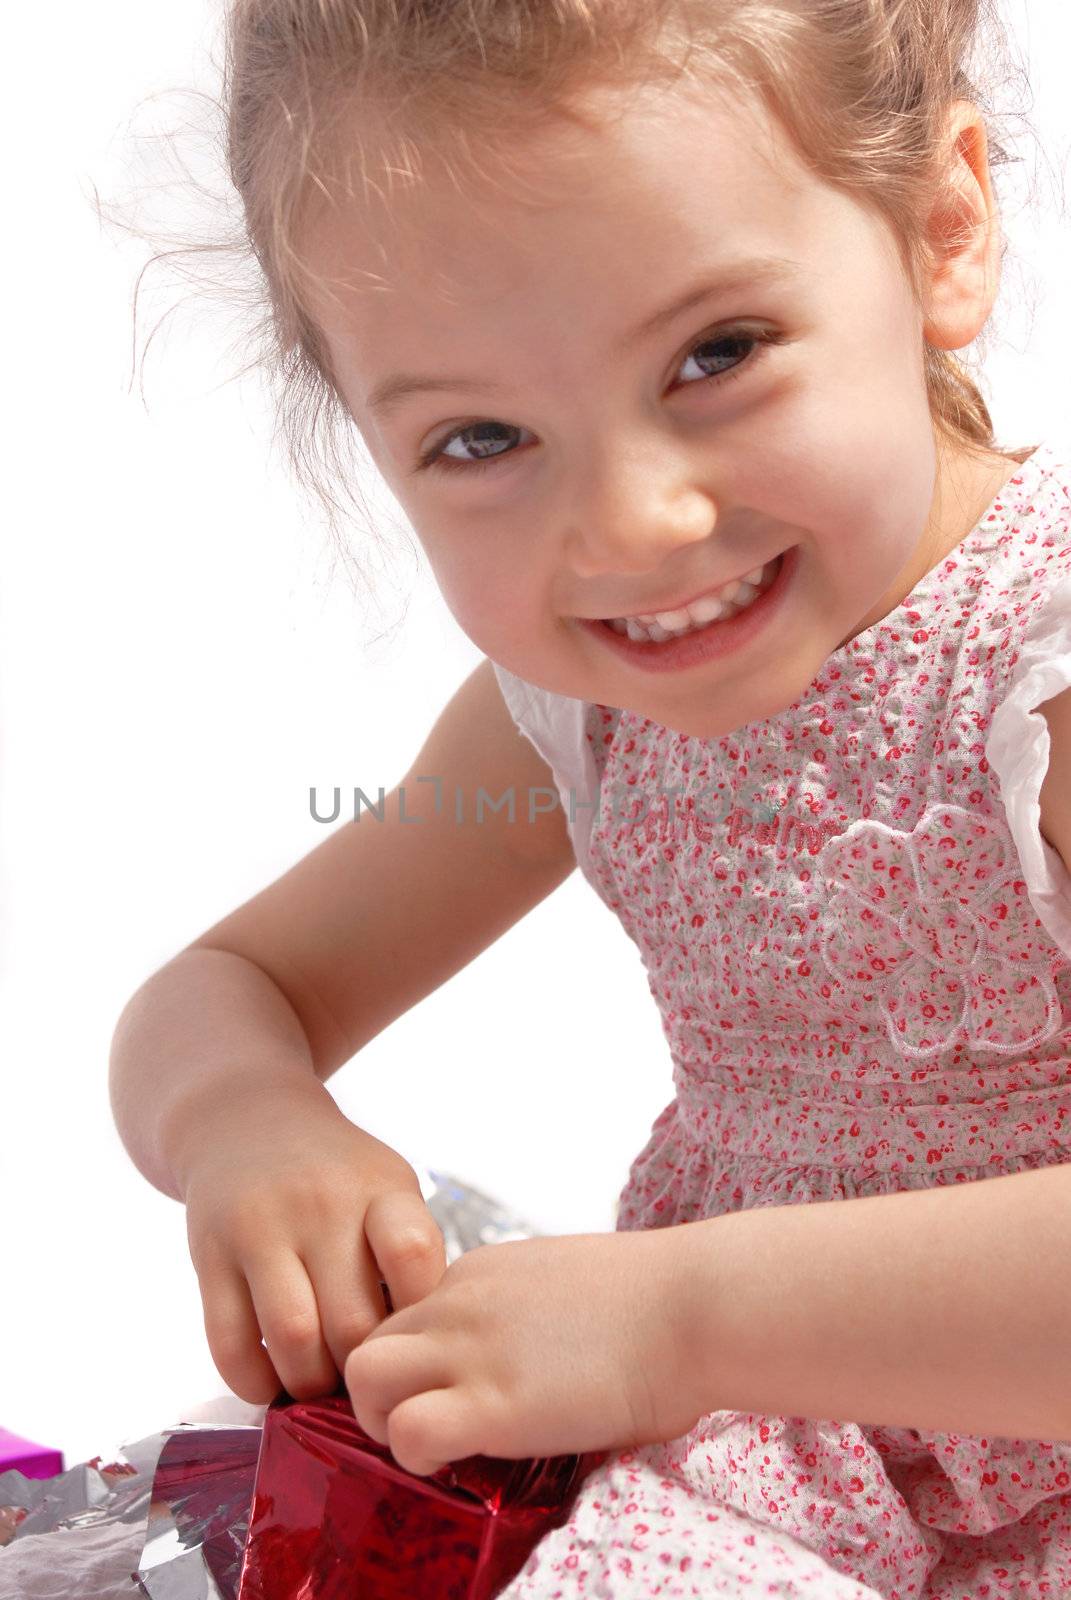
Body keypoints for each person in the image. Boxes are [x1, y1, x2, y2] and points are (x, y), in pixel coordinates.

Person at [108, 0, 1071, 1592]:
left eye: (718, 355)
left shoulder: (1030, 686)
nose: (632, 525)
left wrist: (676, 1317)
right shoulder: (581, 708)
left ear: (940, 231)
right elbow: (225, 990)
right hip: (763, 1461)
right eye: (482, 438)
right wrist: (247, 1120)